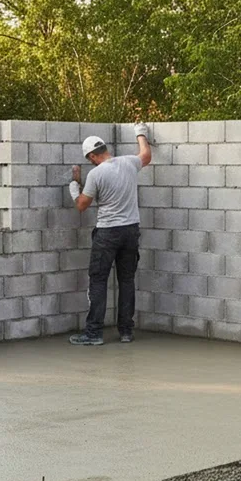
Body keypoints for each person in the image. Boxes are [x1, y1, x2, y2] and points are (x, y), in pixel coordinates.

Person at [67, 124, 152, 345]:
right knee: (126, 280)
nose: (90, 162)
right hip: (131, 231)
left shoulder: (96, 174)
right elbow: (146, 155)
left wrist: (74, 185)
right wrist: (140, 133)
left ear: (94, 155)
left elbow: (82, 205)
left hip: (107, 233)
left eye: (90, 159)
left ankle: (94, 333)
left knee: (98, 281)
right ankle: (126, 331)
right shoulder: (129, 162)